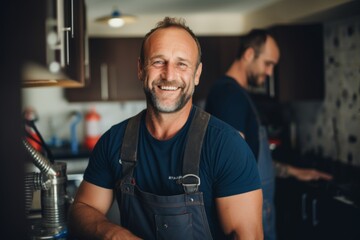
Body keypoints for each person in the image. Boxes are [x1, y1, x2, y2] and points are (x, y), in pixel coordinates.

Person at [68, 17, 263, 240]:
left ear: (197, 74)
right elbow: (81, 209)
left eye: (182, 64)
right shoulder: (114, 141)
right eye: (158, 61)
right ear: (141, 69)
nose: (169, 75)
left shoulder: (227, 146)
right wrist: (113, 234)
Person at [205, 29, 333, 240]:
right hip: (248, 217)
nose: (270, 72)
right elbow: (231, 168)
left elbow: (249, 158)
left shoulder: (236, 94)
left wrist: (292, 171)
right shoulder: (229, 95)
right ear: (248, 55)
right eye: (268, 63)